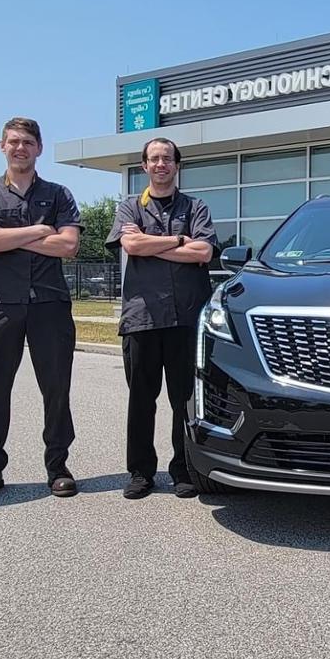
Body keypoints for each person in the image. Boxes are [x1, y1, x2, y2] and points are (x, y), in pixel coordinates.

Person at [0, 117, 83, 502]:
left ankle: (57, 466)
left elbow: (68, 246)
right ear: (2, 147)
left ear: (39, 148)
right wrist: (39, 231)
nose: (20, 148)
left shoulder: (59, 194)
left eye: (27, 142)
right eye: (13, 141)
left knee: (56, 387)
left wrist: (9, 239)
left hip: (49, 301)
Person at [106, 138, 216, 499]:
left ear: (177, 165)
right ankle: (140, 472)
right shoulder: (129, 208)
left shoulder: (196, 207)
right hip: (142, 317)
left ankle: (183, 468)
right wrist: (178, 242)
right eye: (154, 159)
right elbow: (132, 246)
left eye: (167, 159)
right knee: (141, 398)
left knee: (183, 398)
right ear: (144, 166)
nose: (160, 164)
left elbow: (203, 251)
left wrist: (158, 244)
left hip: (186, 318)